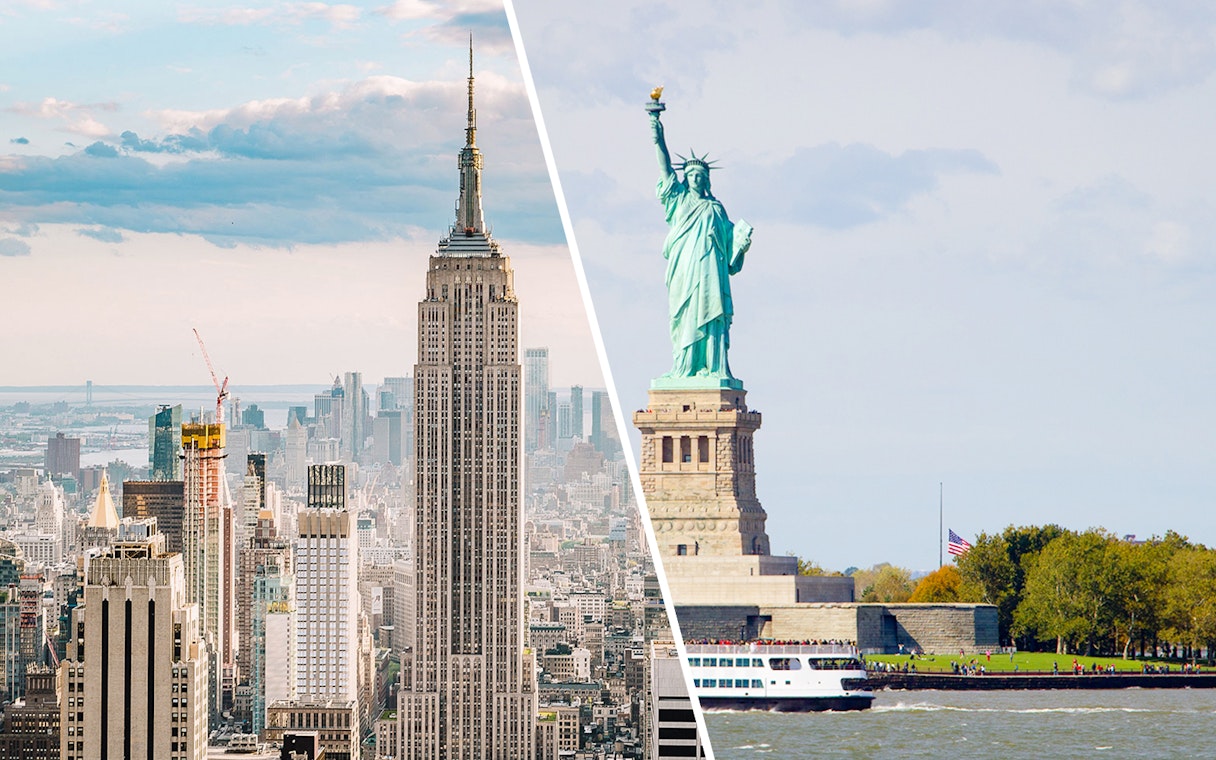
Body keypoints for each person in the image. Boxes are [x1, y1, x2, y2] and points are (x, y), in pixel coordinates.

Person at [650, 107, 752, 381]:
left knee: (712, 316)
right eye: (691, 175)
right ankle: (684, 368)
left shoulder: (716, 209)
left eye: (700, 175)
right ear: (685, 178)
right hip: (684, 269)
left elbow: (731, 253)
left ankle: (713, 367)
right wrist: (657, 132)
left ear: (706, 180)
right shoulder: (678, 200)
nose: (695, 178)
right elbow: (664, 165)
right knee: (683, 317)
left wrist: (741, 246)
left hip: (710, 272)